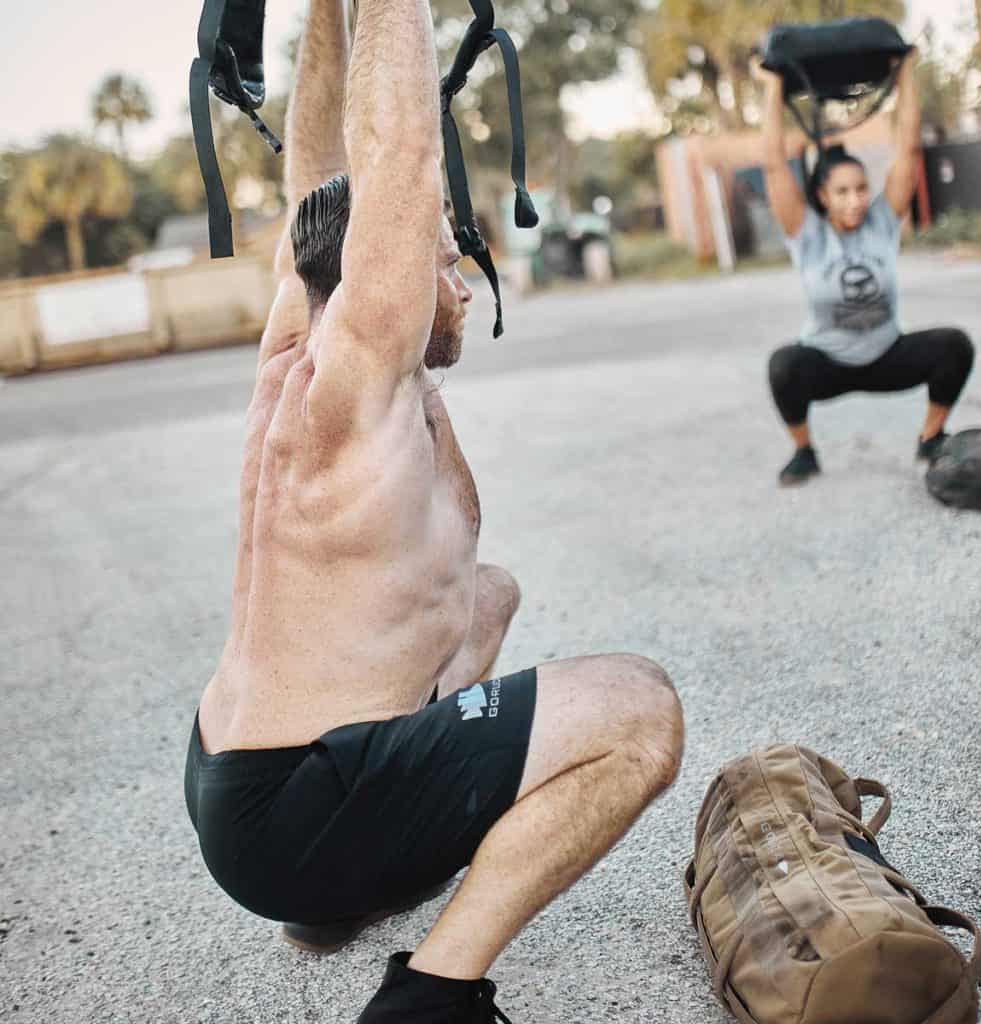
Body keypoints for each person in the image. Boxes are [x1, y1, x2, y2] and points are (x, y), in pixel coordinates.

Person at [183, 2, 684, 1022]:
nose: (456, 282)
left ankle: (324, 913)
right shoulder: (359, 373)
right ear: (389, 265)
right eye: (444, 260)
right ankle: (433, 995)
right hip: (293, 804)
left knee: (488, 596)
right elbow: (397, 150)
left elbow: (317, 163)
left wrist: (328, 12)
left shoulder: (304, 334)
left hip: (236, 778)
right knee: (639, 710)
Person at [751, 50, 975, 486]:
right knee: (783, 366)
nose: (855, 199)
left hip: (887, 355)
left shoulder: (882, 222)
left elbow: (907, 148)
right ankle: (804, 451)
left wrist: (906, 73)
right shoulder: (807, 233)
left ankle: (930, 438)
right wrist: (773, 86)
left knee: (954, 346)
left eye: (861, 189)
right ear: (822, 198)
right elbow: (774, 165)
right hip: (827, 362)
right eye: (842, 192)